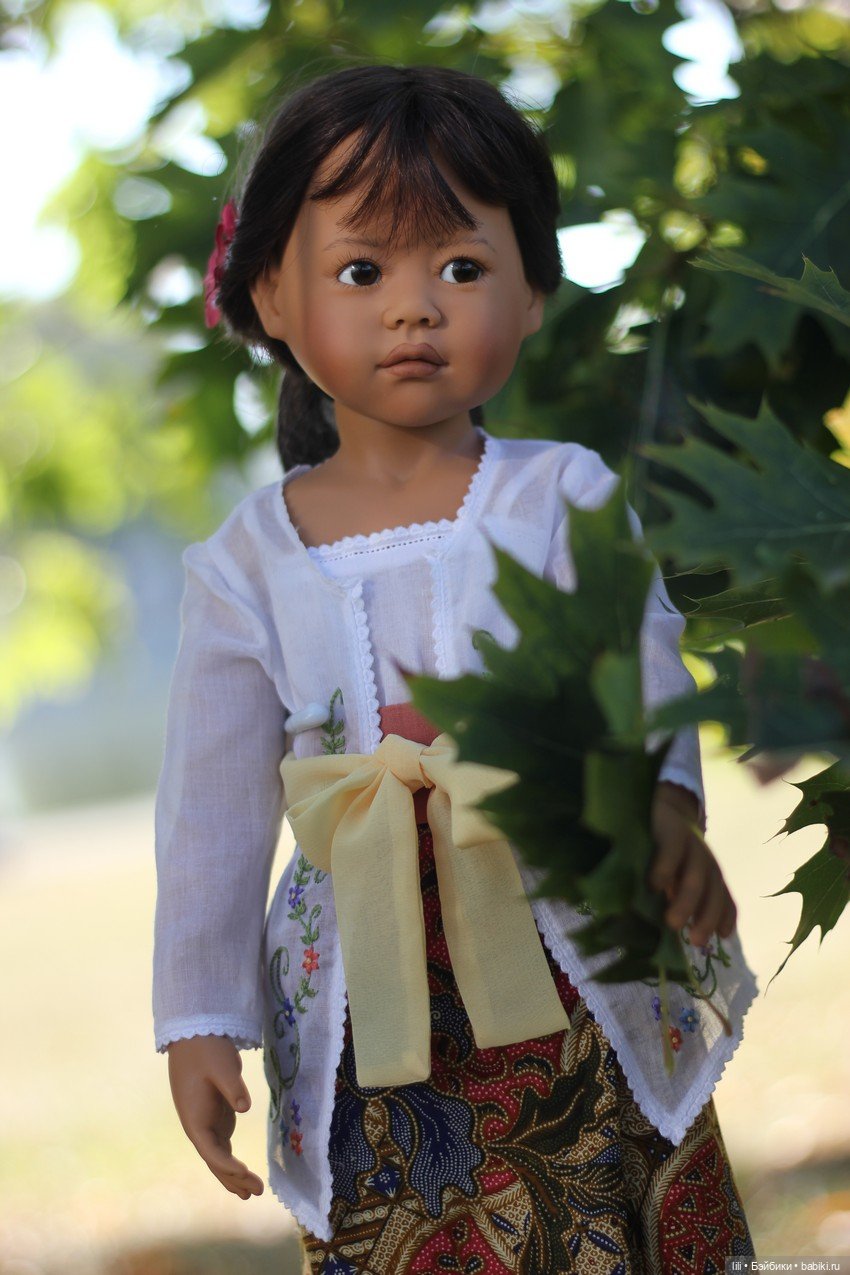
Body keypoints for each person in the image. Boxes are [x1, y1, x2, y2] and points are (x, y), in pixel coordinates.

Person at [153, 63, 759, 1271]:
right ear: (273, 293)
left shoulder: (557, 492)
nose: (413, 308)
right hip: (370, 1003)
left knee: (606, 1181)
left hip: (565, 944)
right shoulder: (244, 563)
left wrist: (663, 800)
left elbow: (629, 657)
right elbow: (210, 811)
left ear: (533, 290)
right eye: (362, 270)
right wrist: (199, 1019)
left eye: (462, 267)